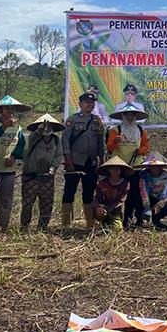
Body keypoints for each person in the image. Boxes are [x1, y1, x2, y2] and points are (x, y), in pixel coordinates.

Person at [0, 95, 29, 231]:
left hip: (10, 169)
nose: (10, 111)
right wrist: (5, 126)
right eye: (7, 108)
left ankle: (3, 226)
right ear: (1, 110)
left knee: (6, 199)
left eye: (12, 108)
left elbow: (20, 144)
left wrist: (14, 157)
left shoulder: (18, 127)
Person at [62, 91, 106, 229]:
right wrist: (67, 159)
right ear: (80, 104)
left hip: (91, 162)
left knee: (89, 192)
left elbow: (100, 141)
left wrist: (101, 159)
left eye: (92, 102)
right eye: (87, 102)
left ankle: (90, 222)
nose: (90, 104)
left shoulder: (96, 120)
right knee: (69, 191)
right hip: (74, 161)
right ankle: (65, 224)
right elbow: (65, 140)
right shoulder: (73, 119)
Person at [106, 103, 150, 227]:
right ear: (122, 116)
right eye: (127, 114)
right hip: (120, 167)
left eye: (133, 114)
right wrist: (115, 142)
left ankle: (137, 218)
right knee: (121, 194)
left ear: (136, 116)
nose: (130, 116)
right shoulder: (115, 130)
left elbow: (146, 147)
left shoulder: (141, 131)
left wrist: (140, 151)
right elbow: (109, 148)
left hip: (136, 166)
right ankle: (120, 219)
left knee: (136, 194)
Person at [20, 114, 64, 231]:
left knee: (47, 203)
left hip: (47, 177)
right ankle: (24, 227)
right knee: (27, 203)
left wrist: (53, 168)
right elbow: (31, 141)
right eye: (44, 126)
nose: (47, 128)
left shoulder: (55, 140)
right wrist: (39, 131)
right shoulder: (32, 137)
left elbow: (58, 155)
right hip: (31, 176)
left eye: (50, 126)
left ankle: (43, 228)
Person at [134, 153, 167, 230]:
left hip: (161, 199)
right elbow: (143, 190)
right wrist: (147, 207)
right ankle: (140, 221)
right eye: (153, 166)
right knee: (137, 199)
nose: (156, 168)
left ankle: (157, 221)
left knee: (166, 208)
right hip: (147, 198)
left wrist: (159, 205)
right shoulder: (143, 175)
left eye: (158, 166)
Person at [93, 156, 134, 232]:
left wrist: (108, 209)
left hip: (116, 212)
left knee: (116, 228)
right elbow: (97, 197)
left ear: (121, 171)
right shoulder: (102, 183)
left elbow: (121, 200)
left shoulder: (125, 184)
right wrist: (99, 207)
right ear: (109, 170)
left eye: (117, 169)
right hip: (103, 209)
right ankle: (103, 222)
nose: (115, 171)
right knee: (99, 213)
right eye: (113, 169)